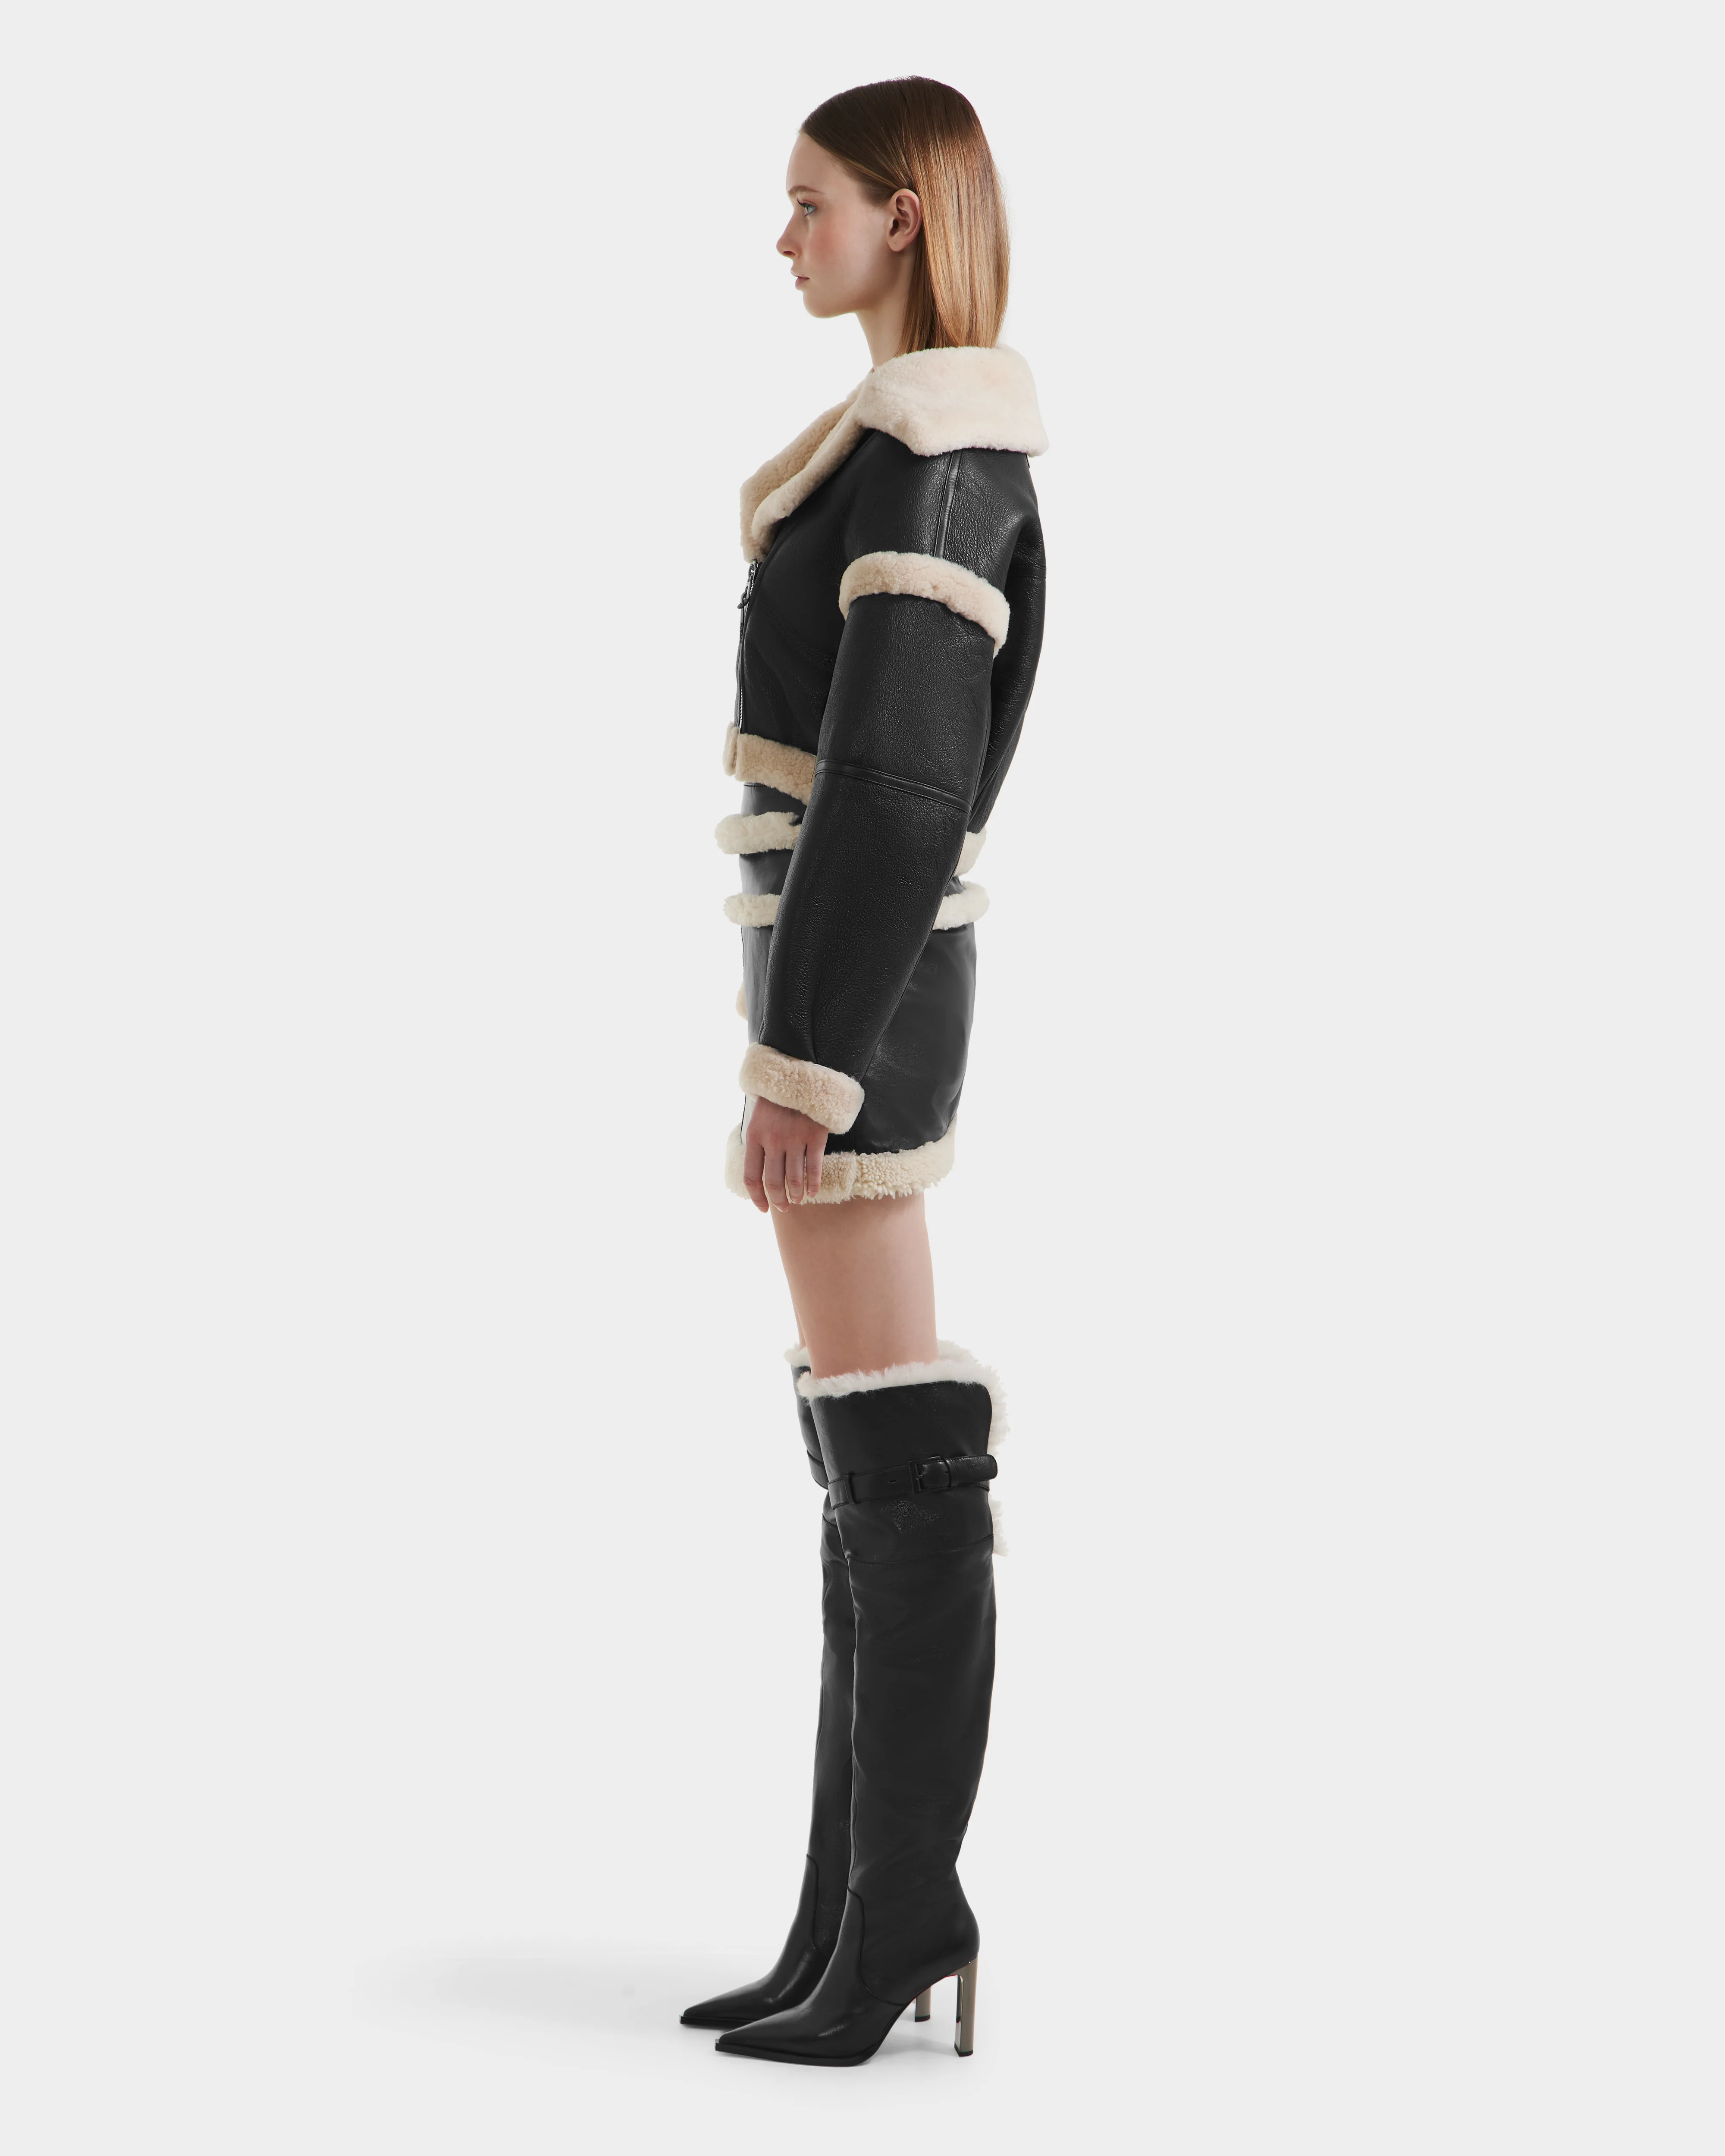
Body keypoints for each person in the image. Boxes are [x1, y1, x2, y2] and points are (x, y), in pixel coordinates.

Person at [682, 76, 1048, 2068]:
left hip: (860, 1001)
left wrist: (806, 1060)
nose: (785, 235)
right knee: (864, 1441)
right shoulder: (904, 446)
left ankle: (898, 1907)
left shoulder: (939, 449)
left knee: (889, 1444)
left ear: (902, 214)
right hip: (837, 986)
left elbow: (900, 785)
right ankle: (856, 1908)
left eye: (810, 200)